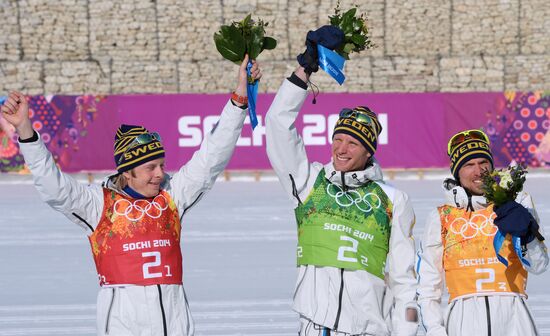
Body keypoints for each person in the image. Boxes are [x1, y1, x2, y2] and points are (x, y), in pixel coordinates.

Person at [1, 56, 262, 336]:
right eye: (150, 168)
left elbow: (212, 157)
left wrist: (239, 99)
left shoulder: (172, 196)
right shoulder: (98, 204)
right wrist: (25, 131)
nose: (159, 174)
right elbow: (54, 188)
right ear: (127, 172)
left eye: (161, 164)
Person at [265, 26, 419, 336]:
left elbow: (405, 280)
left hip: (368, 329)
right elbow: (277, 125)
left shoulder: (391, 200)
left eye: (353, 143)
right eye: (339, 139)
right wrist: (305, 69)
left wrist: (408, 331)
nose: (342, 149)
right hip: (314, 326)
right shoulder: (309, 183)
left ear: (369, 152)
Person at [416, 129, 549, 336]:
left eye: (483, 163)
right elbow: (427, 285)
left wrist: (527, 236)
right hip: (462, 320)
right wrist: (435, 330)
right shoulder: (442, 216)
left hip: (514, 318)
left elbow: (539, 265)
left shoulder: (517, 203)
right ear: (457, 172)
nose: (478, 171)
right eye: (469, 165)